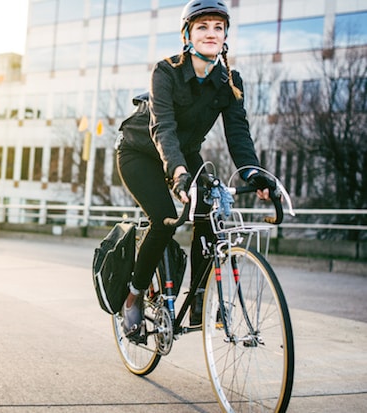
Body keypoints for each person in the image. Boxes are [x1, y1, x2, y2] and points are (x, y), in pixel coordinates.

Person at [116, 0, 276, 336]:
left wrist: (253, 172)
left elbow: (238, 132)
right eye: (203, 26)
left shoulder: (229, 81)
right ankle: (133, 296)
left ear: (225, 36)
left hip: (184, 155)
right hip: (140, 152)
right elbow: (163, 129)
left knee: (209, 209)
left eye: (218, 27)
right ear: (188, 34)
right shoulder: (166, 71)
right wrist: (177, 174)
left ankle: (200, 298)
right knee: (165, 219)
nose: (211, 33)